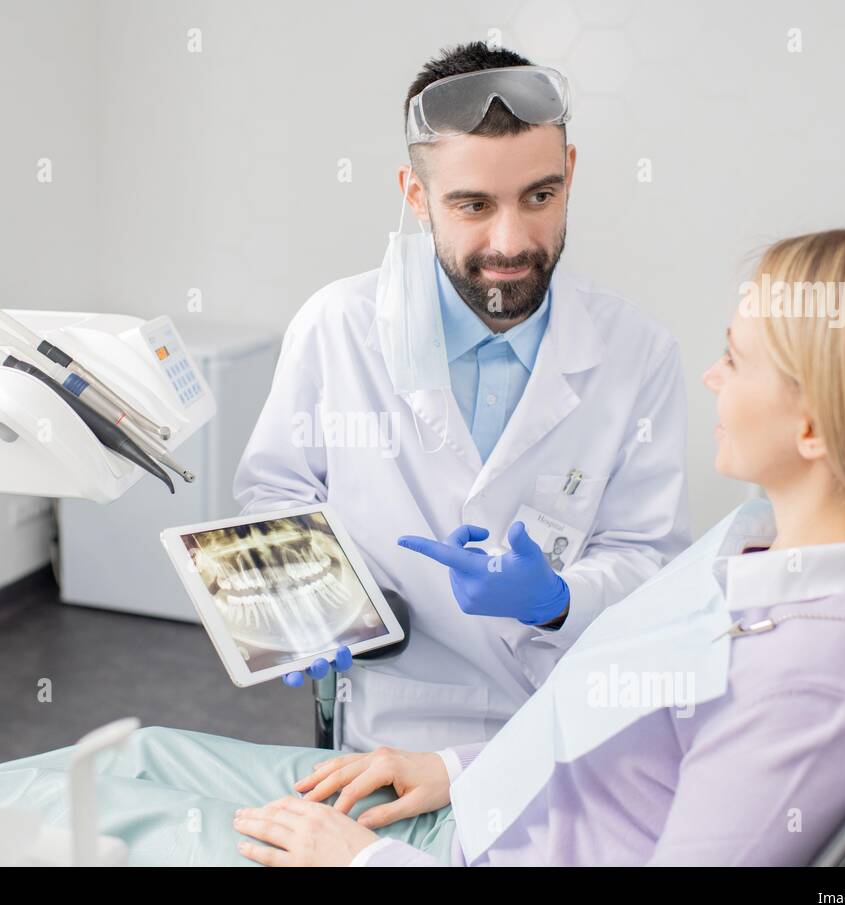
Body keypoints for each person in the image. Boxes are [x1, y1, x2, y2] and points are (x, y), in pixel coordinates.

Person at [0, 226, 845, 866]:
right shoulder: (756, 540)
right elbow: (617, 727)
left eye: (737, 359)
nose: (713, 376)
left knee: (99, 823)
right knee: (133, 754)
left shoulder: (824, 675)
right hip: (468, 797)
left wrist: (366, 858)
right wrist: (449, 768)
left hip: (468, 856)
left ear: (812, 425)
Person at [235, 42, 690, 753]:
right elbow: (275, 495)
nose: (511, 241)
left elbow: (647, 553)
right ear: (416, 197)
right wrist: (304, 606)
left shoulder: (638, 351)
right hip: (389, 729)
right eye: (473, 205)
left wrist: (558, 600)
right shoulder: (340, 326)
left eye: (539, 196)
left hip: (565, 735)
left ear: (569, 175)